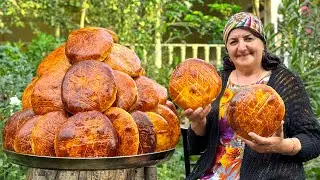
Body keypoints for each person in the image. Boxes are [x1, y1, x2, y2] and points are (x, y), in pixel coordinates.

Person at [184, 12, 320, 180]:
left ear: (263, 43)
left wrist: (282, 146)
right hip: (215, 175)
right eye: (233, 41)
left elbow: (313, 139)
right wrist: (198, 123)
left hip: (269, 176)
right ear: (227, 49)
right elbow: (195, 146)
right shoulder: (217, 82)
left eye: (248, 39)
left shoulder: (285, 82)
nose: (241, 47)